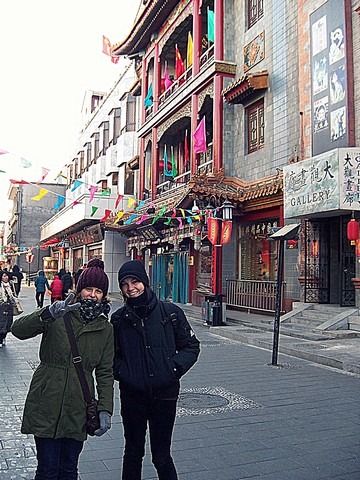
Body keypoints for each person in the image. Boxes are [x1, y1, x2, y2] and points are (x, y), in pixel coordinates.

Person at [11, 258, 114, 480]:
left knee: (69, 469)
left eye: (98, 290)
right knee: (47, 470)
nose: (92, 294)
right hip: (47, 399)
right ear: (79, 289)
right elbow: (17, 330)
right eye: (88, 288)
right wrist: (47, 314)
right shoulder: (59, 313)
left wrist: (105, 409)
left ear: (104, 295)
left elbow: (105, 372)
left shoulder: (106, 329)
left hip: (78, 406)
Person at [111, 260, 200, 480]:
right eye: (125, 284)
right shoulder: (119, 319)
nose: (131, 288)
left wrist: (173, 369)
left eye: (136, 281)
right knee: (133, 453)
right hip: (133, 396)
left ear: (145, 282)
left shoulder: (170, 313)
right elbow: (110, 357)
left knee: (161, 455)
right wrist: (125, 374)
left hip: (165, 396)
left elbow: (191, 346)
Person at [0, 270, 17, 347]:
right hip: (1, 306)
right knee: (2, 322)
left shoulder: (10, 285)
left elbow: (13, 295)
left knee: (8, 323)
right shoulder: (1, 286)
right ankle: (0, 338)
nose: (6, 277)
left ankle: (3, 337)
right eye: (4, 276)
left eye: (6, 276)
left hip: (9, 306)